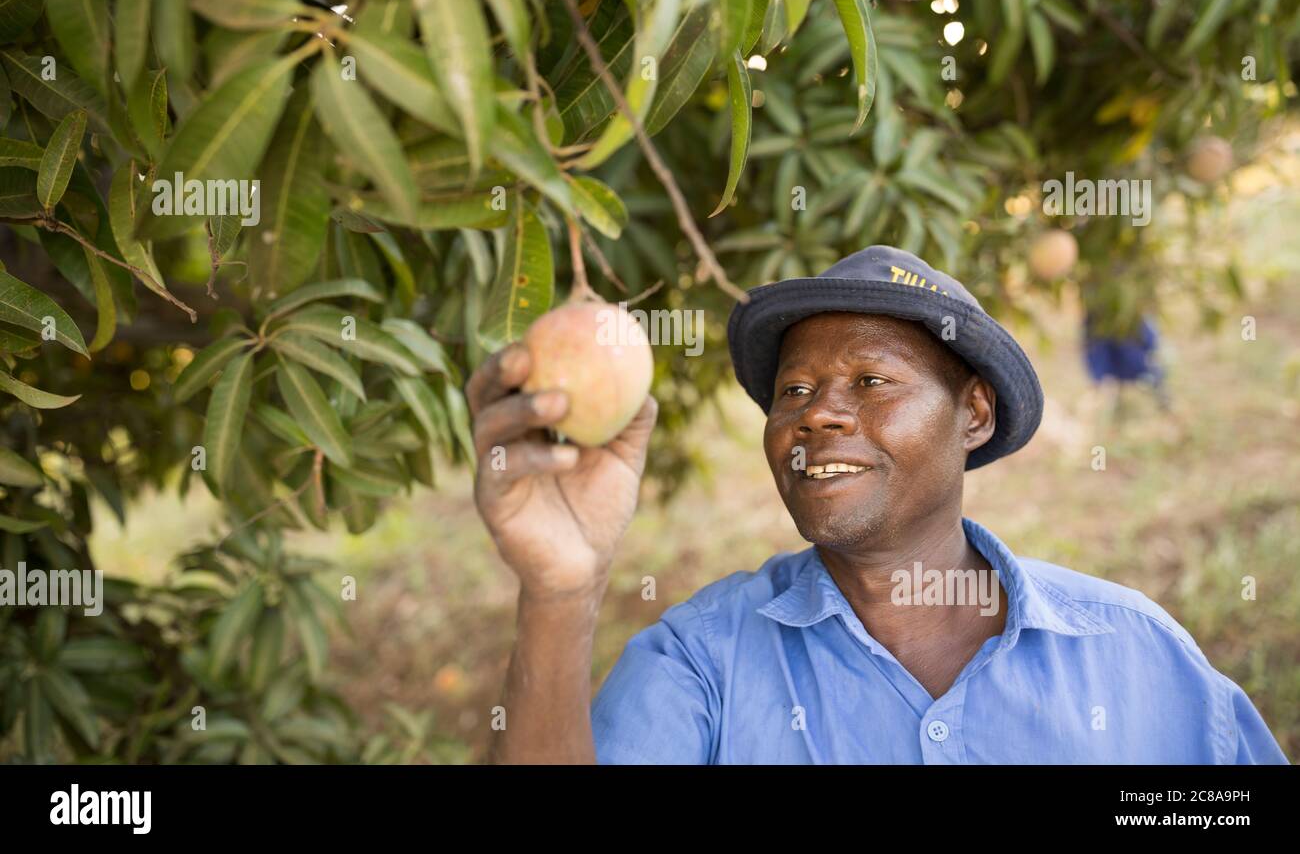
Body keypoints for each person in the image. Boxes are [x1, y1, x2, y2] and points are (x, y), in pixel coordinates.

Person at [467, 244, 1288, 764]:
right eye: (794, 389)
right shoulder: (700, 667)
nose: (815, 413)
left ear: (973, 413)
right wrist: (559, 589)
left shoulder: (1135, 657)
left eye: (870, 382)